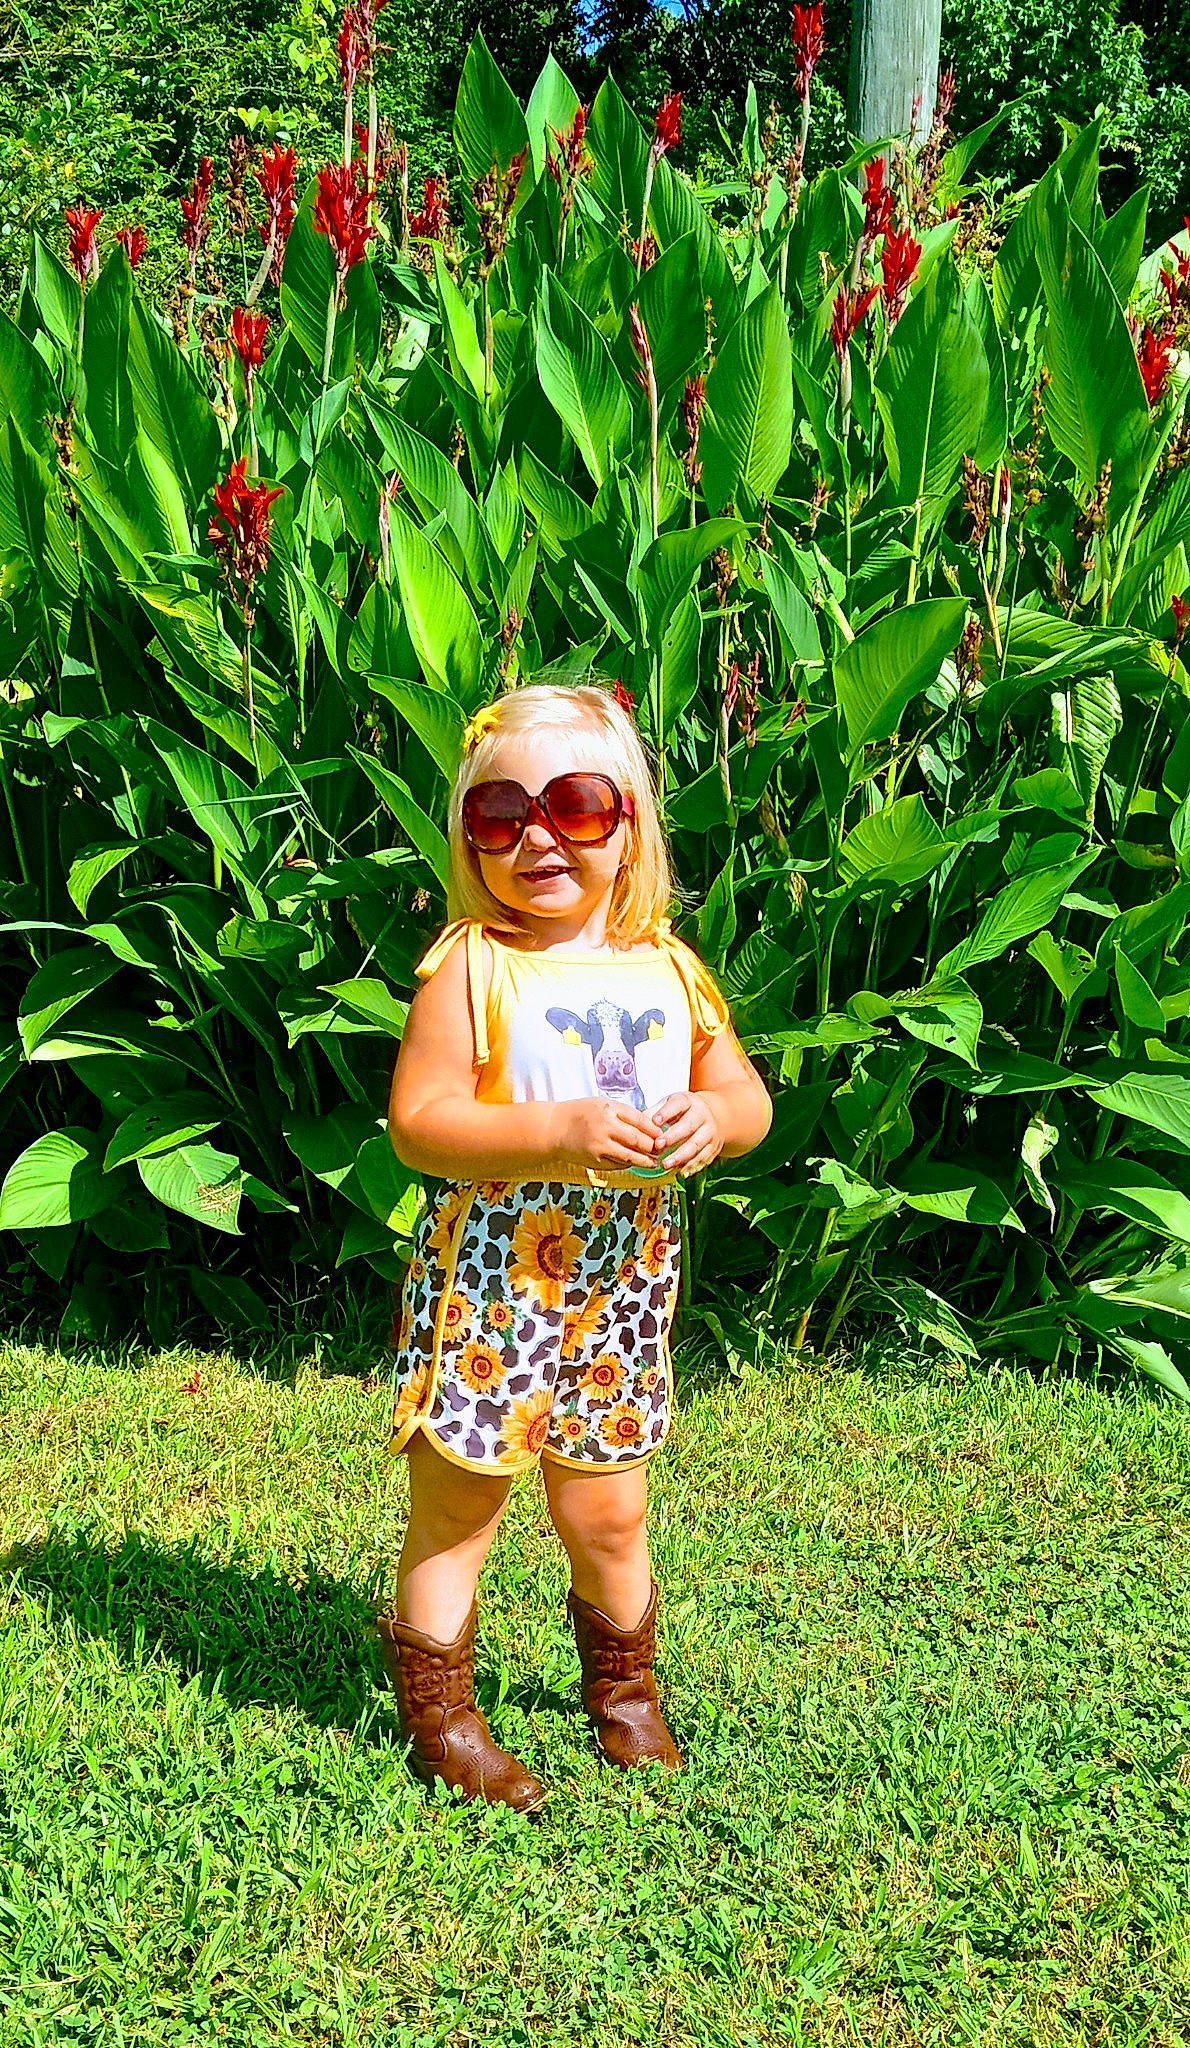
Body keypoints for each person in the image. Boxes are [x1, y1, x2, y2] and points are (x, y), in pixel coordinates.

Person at [381, 682, 773, 1810]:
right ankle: (443, 1716)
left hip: (621, 1282)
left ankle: (625, 1691)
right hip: (499, 1277)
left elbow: (740, 1094)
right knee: (463, 1498)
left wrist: (718, 1120)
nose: (537, 836)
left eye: (576, 805)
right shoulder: (472, 964)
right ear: (469, 840)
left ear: (631, 824)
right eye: (499, 815)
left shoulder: (667, 969)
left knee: (608, 1501)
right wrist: (551, 1130)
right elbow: (420, 1120)